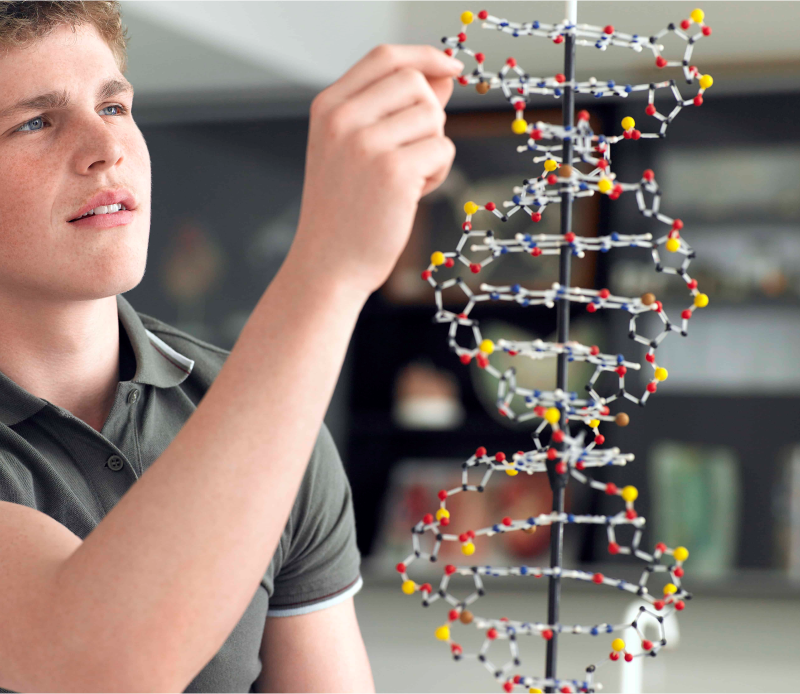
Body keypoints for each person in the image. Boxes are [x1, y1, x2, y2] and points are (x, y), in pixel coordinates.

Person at [0, 1, 462, 692]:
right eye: (35, 122)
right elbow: (100, 666)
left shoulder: (262, 414)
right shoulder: (273, 403)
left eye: (115, 106)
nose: (106, 147)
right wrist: (329, 268)